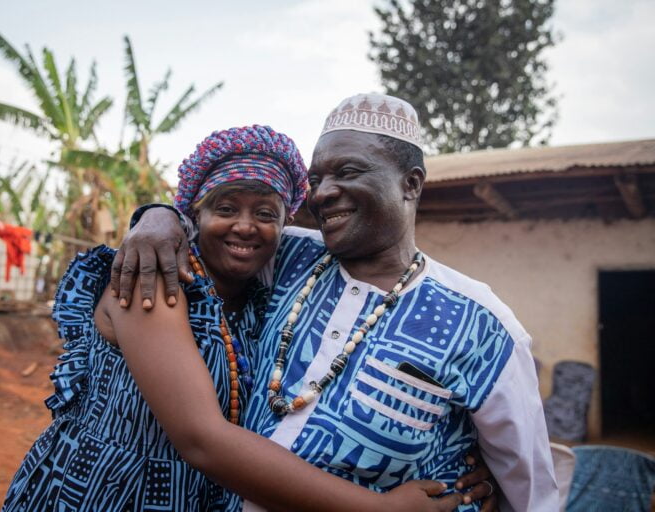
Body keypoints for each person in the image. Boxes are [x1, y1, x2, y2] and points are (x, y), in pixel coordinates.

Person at [113, 94, 559, 511]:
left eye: (347, 172)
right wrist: (158, 215)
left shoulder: (482, 323)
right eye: (316, 179)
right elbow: (206, 224)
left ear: (411, 184)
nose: (323, 192)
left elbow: (530, 490)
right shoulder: (286, 255)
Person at [2, 125, 481, 512]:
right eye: (226, 208)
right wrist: (377, 509)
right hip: (101, 493)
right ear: (194, 214)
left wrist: (458, 463)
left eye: (266, 213)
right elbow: (201, 438)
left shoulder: (267, 301)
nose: (246, 226)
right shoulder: (152, 281)